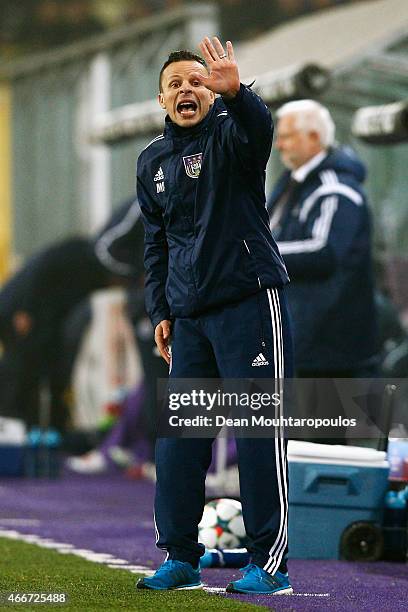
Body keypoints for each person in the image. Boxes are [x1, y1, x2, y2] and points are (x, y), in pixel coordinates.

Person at [136, 37, 293, 595]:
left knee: (257, 435)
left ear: (211, 90)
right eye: (175, 83)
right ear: (161, 100)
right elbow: (155, 244)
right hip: (189, 319)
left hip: (250, 304)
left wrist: (241, 95)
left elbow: (260, 132)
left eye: (196, 81)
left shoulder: (233, 135)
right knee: (179, 443)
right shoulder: (151, 161)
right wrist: (161, 309)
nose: (186, 89)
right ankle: (180, 556)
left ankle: (269, 565)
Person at [0, 197, 142, 431]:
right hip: (19, 310)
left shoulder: (91, 277)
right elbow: (41, 270)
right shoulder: (79, 255)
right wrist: (24, 308)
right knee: (20, 367)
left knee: (45, 367)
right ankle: (10, 422)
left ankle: (41, 427)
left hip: (38, 318)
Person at [268, 100, 378, 378]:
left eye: (287, 136)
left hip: (330, 347)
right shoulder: (293, 182)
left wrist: (256, 255)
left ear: (314, 137)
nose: (279, 145)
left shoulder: (335, 189)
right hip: (302, 340)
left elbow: (324, 251)